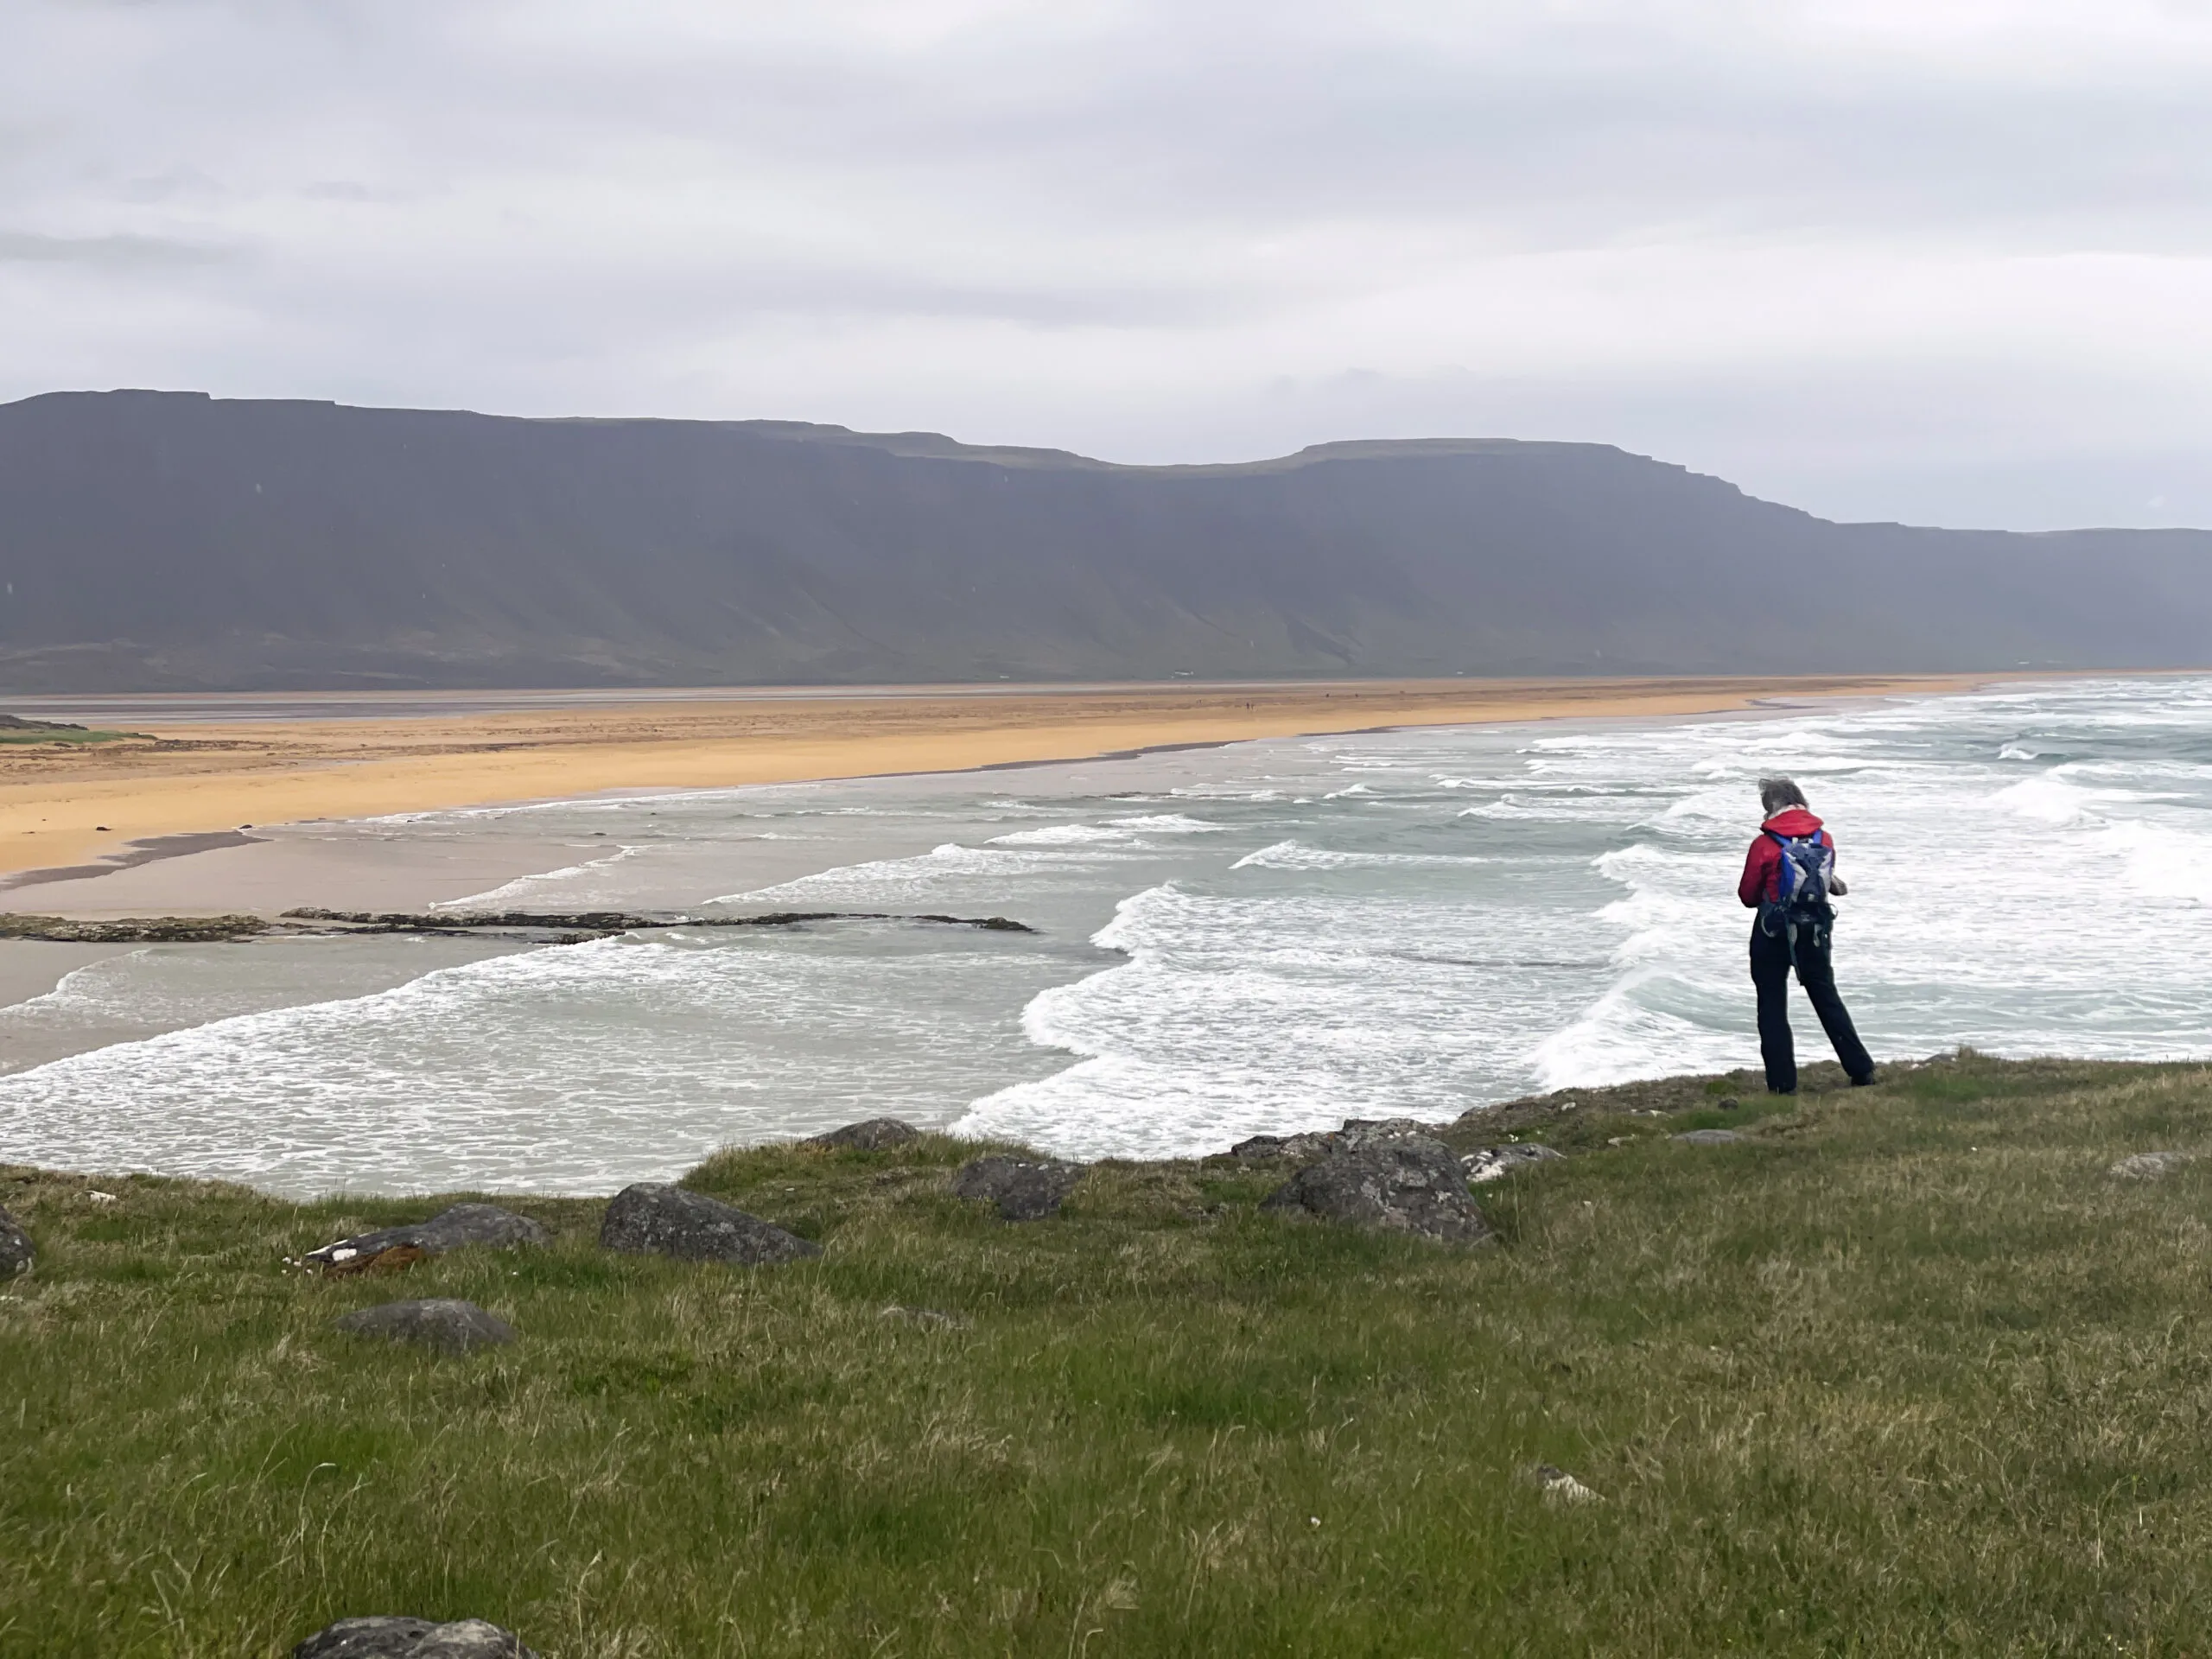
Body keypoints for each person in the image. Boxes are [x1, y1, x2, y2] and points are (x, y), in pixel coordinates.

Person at [1738, 776, 1875, 1094]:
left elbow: (1747, 896)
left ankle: (1783, 1085)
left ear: (1769, 807)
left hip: (1772, 931)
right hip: (1814, 930)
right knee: (1826, 996)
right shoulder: (1823, 837)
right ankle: (1862, 1070)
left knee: (1772, 1004)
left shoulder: (1764, 844)